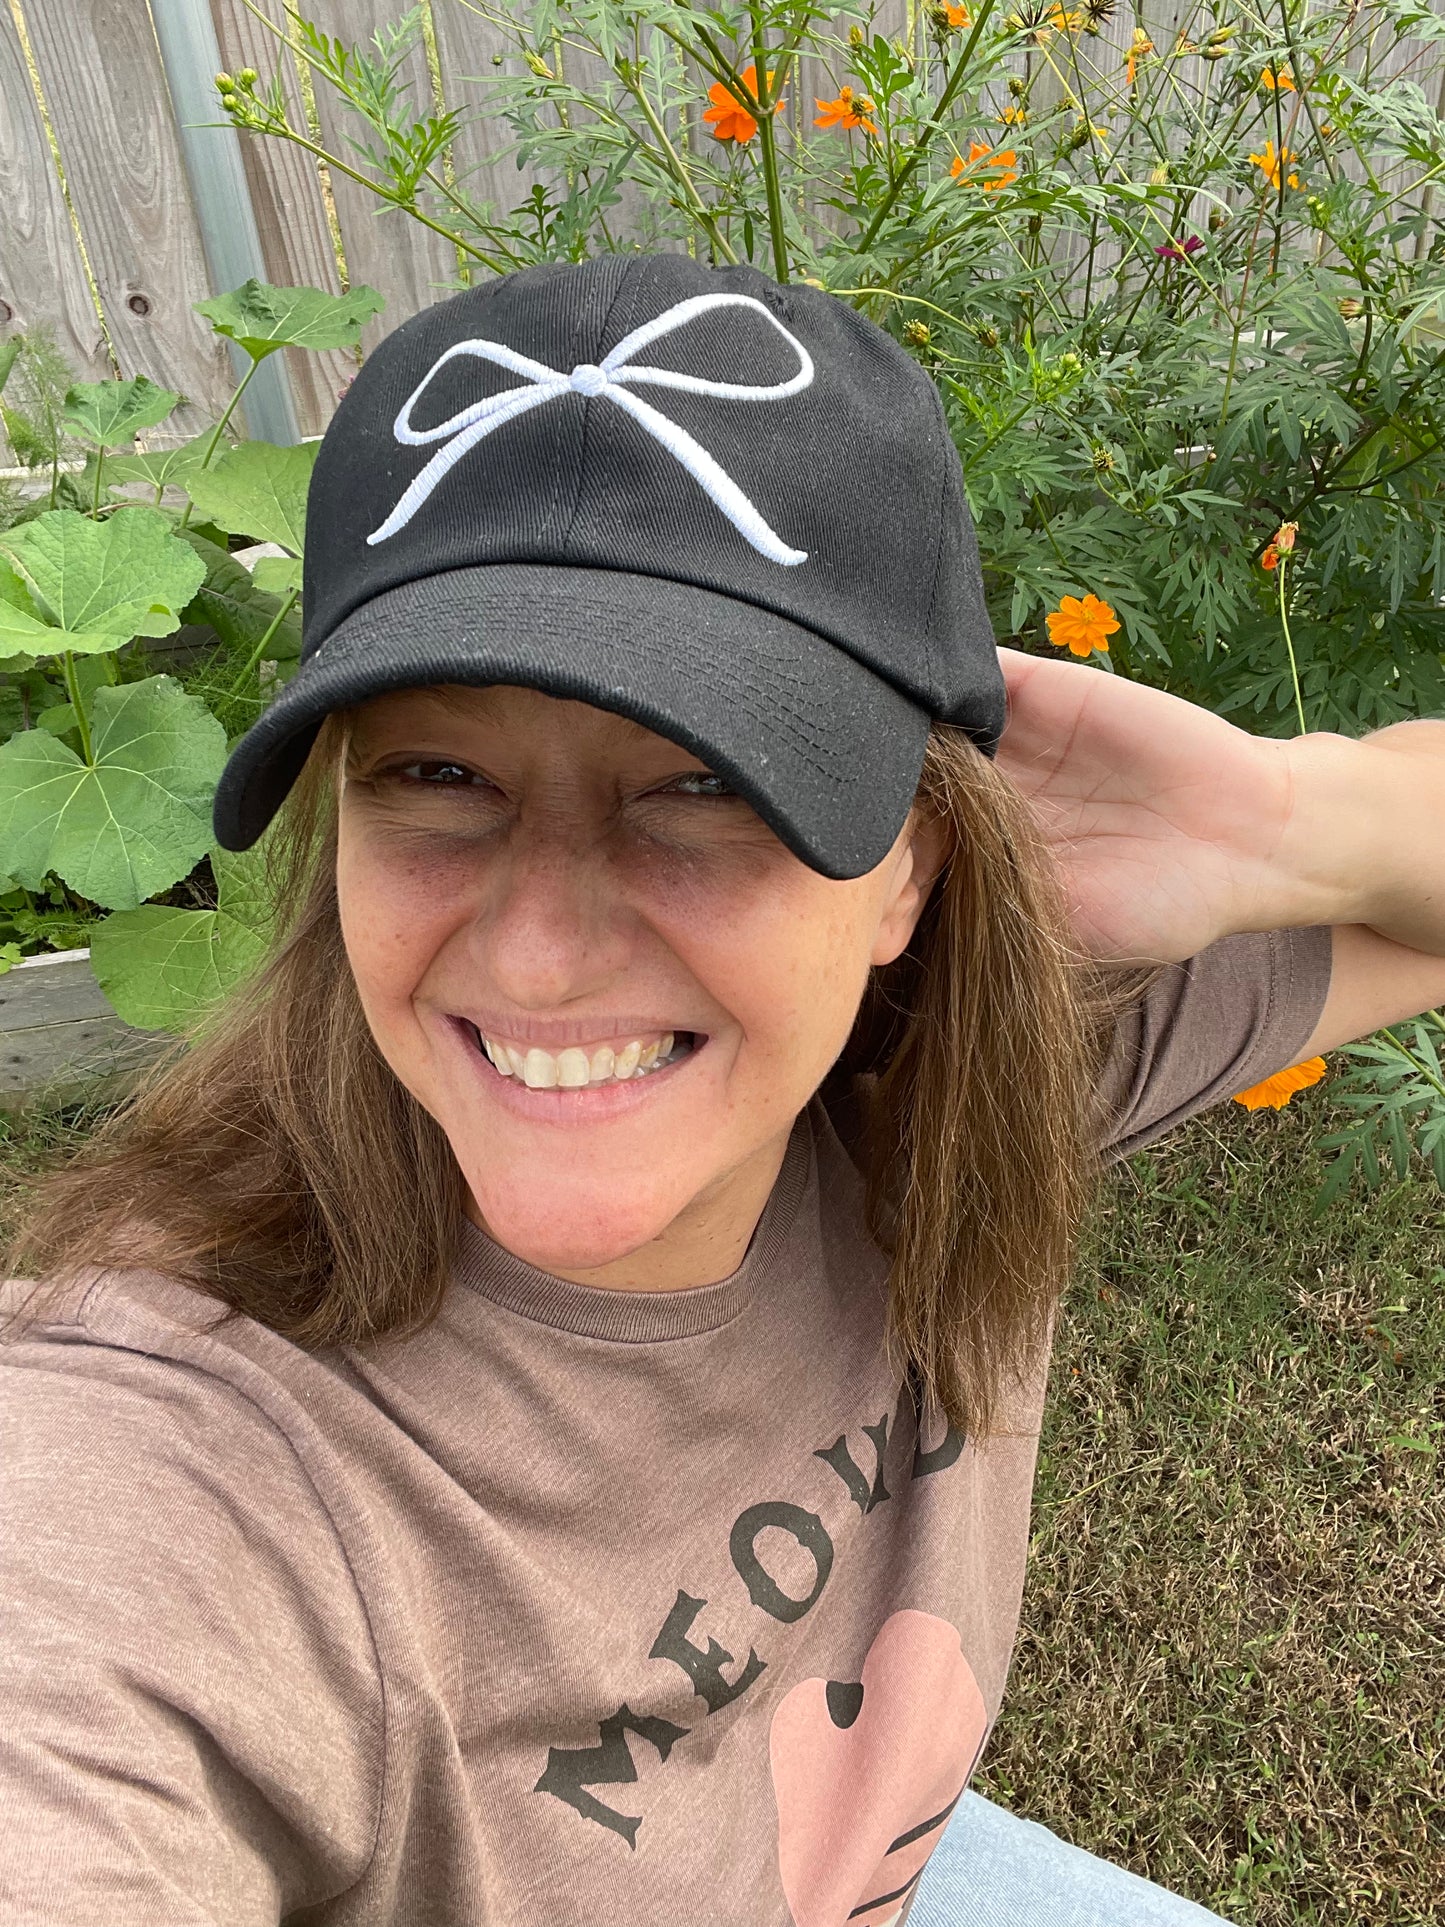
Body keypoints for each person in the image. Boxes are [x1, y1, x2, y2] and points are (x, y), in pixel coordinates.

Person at [2, 253, 1442, 1927]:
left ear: (907, 870)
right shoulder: (171, 1469)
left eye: (700, 784)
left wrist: (1277, 820)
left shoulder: (928, 1079)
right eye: (437, 775)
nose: (537, 957)